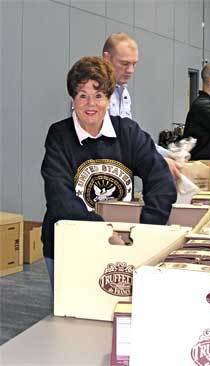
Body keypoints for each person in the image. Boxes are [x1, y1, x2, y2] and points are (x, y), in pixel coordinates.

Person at [41, 57, 177, 288]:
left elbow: (161, 182)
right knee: (70, 316)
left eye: (98, 95)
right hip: (68, 246)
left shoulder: (128, 133)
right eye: (82, 95)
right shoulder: (59, 135)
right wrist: (104, 233)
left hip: (124, 246)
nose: (90, 104)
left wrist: (141, 231)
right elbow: (59, 197)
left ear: (109, 98)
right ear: (73, 100)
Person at [102, 33, 181, 178]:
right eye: (124, 64)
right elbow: (108, 143)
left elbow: (131, 138)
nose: (131, 70)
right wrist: (157, 160)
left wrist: (168, 154)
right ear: (107, 58)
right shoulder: (94, 93)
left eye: (134, 64)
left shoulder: (123, 93)